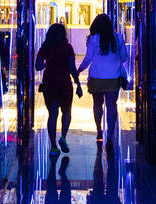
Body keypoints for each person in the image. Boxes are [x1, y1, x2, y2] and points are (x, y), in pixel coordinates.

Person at [77, 13, 129, 145]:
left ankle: (99, 129)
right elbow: (124, 58)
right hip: (113, 77)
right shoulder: (118, 38)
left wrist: (79, 70)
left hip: (97, 77)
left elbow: (88, 58)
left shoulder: (93, 39)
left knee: (97, 104)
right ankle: (110, 133)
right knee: (111, 106)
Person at [35, 23, 83, 154]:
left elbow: (38, 66)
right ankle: (63, 137)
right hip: (64, 83)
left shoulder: (45, 47)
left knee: (52, 114)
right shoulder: (68, 48)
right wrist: (78, 85)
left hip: (49, 83)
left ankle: (53, 147)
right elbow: (72, 68)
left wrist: (47, 63)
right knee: (66, 112)